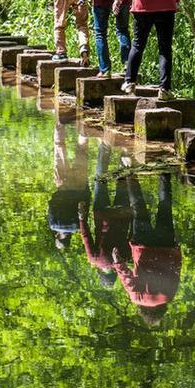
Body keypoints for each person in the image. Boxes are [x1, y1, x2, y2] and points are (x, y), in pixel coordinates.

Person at [112, 172, 182, 326]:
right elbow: (126, 278)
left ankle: (165, 174)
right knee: (138, 209)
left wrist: (177, 249)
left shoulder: (169, 296)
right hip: (144, 248)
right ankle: (130, 174)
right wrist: (118, 262)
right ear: (143, 312)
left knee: (165, 207)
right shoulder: (137, 298)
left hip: (166, 246)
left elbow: (176, 270)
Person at [78, 141, 132, 287]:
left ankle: (125, 150)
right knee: (100, 181)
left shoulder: (125, 259)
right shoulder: (94, 260)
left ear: (115, 274)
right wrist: (82, 217)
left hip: (122, 216)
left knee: (122, 183)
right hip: (102, 215)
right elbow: (85, 236)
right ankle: (105, 146)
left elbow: (131, 238)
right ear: (100, 273)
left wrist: (132, 216)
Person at [47, 121, 90, 251]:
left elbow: (86, 205)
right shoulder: (53, 225)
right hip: (63, 185)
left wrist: (85, 186)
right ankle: (60, 122)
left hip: (79, 186)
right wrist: (58, 190)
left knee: (81, 151)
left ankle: (85, 125)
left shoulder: (78, 226)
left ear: (69, 238)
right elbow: (51, 204)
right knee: (59, 147)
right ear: (58, 237)